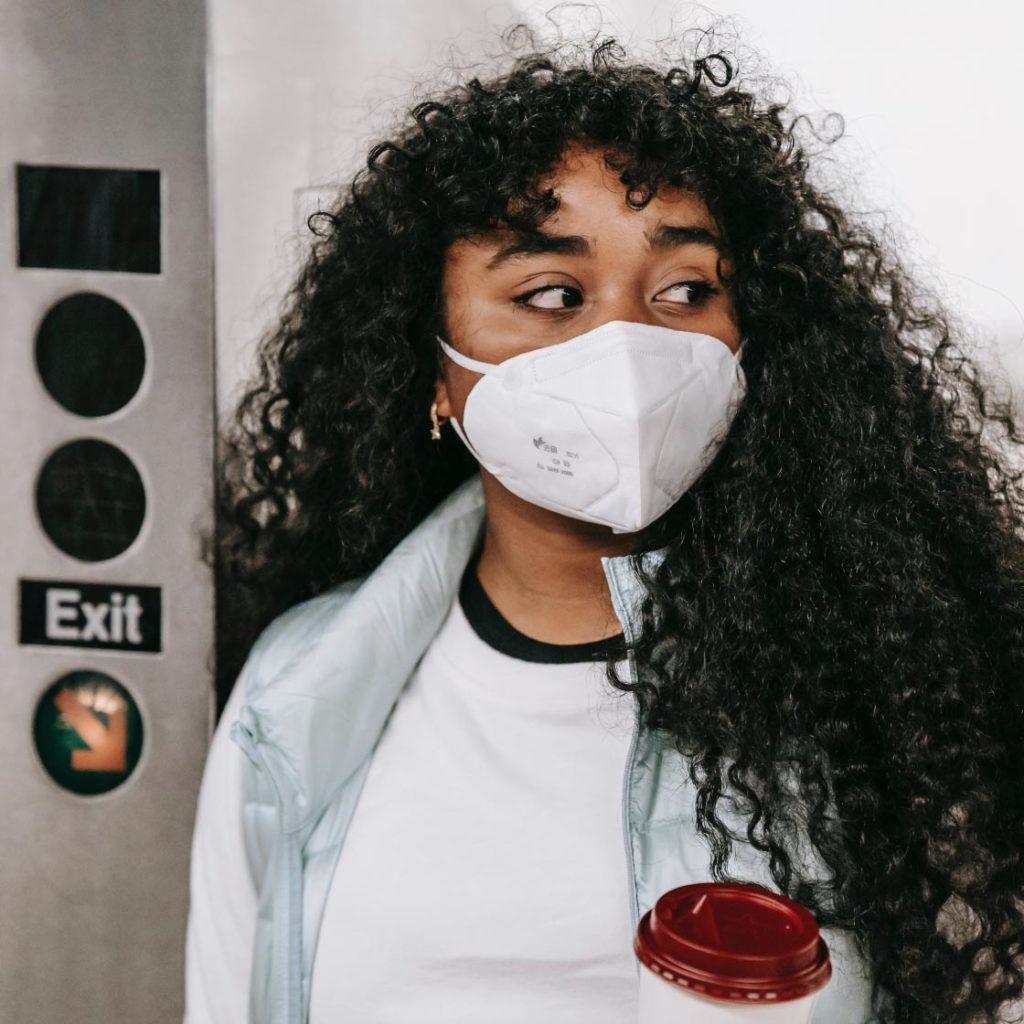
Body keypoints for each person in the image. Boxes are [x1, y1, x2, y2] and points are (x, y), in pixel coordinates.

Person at [185, 23, 1024, 1024]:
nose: (624, 344)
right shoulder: (301, 691)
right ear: (432, 373)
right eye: (550, 294)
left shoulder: (891, 692)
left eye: (683, 291)